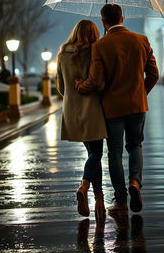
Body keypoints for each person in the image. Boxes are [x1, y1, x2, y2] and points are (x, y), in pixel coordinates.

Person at [76, 4, 159, 215]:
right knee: (135, 145)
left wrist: (79, 86)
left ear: (103, 21)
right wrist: (140, 94)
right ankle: (135, 183)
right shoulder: (141, 40)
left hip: (112, 109)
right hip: (137, 105)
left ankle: (121, 201)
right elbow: (154, 74)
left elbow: (95, 81)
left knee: (115, 153)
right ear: (123, 17)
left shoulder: (100, 46)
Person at [56, 20, 107, 219]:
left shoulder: (62, 54)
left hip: (72, 109)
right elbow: (100, 84)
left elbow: (61, 88)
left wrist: (72, 93)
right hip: (93, 107)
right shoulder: (94, 52)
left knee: (92, 154)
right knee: (96, 154)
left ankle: (99, 201)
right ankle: (85, 186)